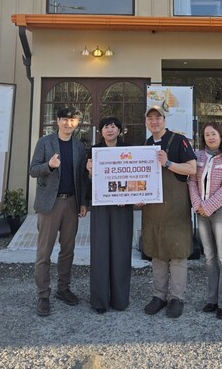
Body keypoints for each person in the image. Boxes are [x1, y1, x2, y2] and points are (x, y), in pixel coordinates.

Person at [29, 106, 89, 317]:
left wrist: (83, 202)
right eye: (64, 119)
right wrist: (49, 165)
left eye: (72, 120)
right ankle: (43, 295)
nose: (68, 123)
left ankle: (63, 288)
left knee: (68, 250)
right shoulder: (45, 142)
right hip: (49, 204)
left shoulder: (79, 146)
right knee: (44, 252)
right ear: (57, 121)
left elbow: (82, 177)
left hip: (71, 203)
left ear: (77, 123)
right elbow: (33, 170)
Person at [142, 105, 197, 319]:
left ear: (164, 120)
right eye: (150, 118)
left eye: (158, 118)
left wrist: (168, 163)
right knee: (157, 252)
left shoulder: (178, 140)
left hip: (176, 209)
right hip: (153, 209)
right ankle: (159, 296)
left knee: (177, 253)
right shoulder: (145, 145)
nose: (154, 121)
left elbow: (192, 168)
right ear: (146, 122)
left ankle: (177, 298)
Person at [188, 122, 222, 320]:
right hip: (201, 211)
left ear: (221, 136)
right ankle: (212, 299)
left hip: (220, 211)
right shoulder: (198, 156)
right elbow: (192, 182)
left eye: (213, 134)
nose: (210, 137)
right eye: (207, 134)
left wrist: (207, 207)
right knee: (209, 257)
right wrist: (197, 205)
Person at [86, 116, 134, 314]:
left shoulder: (129, 150)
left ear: (119, 131)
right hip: (101, 205)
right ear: (101, 131)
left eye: (114, 126)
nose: (110, 129)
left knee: (121, 251)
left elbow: (135, 176)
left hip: (123, 206)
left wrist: (130, 196)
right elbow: (87, 181)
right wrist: (89, 172)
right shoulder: (93, 151)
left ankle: (120, 299)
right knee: (100, 251)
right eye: (106, 126)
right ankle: (99, 301)